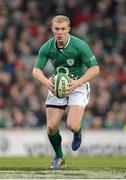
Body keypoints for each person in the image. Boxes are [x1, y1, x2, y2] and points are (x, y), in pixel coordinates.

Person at [32, 15, 100, 169]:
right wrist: (46, 82)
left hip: (78, 86)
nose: (60, 32)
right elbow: (36, 70)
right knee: (51, 126)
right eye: (57, 29)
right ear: (52, 29)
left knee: (72, 125)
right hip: (57, 85)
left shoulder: (79, 45)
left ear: (69, 29)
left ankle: (79, 131)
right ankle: (59, 157)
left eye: (63, 29)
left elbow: (95, 69)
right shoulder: (47, 47)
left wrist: (77, 83)